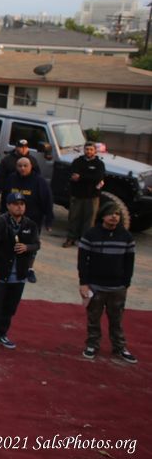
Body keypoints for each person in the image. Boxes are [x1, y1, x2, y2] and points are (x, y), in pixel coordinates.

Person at [0, 192, 40, 356]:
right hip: (1, 273)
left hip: (19, 276)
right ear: (8, 206)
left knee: (10, 308)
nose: (20, 207)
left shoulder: (30, 225)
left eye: (22, 204)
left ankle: (1, 334)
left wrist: (27, 247)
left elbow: (37, 244)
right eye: (16, 204)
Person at [78, 203, 137, 363]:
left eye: (117, 214)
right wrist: (84, 283)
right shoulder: (91, 234)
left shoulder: (126, 236)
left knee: (116, 320)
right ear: (103, 215)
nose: (114, 216)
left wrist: (126, 283)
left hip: (118, 287)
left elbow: (129, 262)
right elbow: (82, 260)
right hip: (95, 286)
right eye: (111, 213)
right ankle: (92, 345)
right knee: (93, 319)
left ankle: (120, 347)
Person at [2, 157, 53, 283]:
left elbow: (47, 200)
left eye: (25, 166)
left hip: (32, 220)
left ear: (31, 166)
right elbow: (4, 196)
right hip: (12, 219)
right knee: (8, 243)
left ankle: (29, 269)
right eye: (19, 166)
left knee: (30, 246)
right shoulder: (11, 178)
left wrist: (49, 220)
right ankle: (8, 266)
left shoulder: (39, 181)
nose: (22, 168)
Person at [64, 142, 106, 248]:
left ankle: (85, 240)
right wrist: (85, 177)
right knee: (74, 217)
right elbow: (72, 174)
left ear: (95, 151)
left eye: (91, 149)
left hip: (92, 196)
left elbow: (98, 177)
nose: (89, 151)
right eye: (87, 149)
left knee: (89, 220)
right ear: (84, 150)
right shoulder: (77, 161)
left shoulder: (99, 164)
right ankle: (70, 238)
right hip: (77, 195)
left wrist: (81, 177)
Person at [0, 139, 39, 208]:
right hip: (10, 192)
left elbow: (37, 176)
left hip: (26, 192)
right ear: (16, 147)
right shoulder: (7, 159)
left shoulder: (32, 160)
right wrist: (5, 188)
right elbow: (0, 176)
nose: (24, 149)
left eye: (25, 147)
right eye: (21, 147)